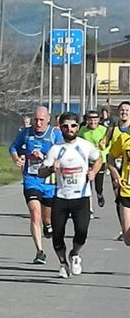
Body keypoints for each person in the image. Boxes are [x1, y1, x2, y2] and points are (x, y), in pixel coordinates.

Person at [38, 112, 102, 278]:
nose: (70, 129)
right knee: (57, 234)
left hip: (81, 198)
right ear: (60, 128)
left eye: (73, 125)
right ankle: (62, 263)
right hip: (61, 198)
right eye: (65, 126)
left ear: (77, 127)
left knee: (82, 231)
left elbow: (98, 158)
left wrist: (93, 172)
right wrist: (52, 168)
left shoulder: (85, 146)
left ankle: (74, 253)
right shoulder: (56, 149)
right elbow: (40, 173)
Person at [9, 106, 63, 264]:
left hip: (49, 181)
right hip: (31, 179)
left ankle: (47, 225)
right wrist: (16, 158)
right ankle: (39, 251)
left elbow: (62, 155)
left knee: (47, 218)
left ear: (48, 119)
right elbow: (13, 147)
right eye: (35, 119)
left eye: (41, 120)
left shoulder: (55, 134)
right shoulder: (26, 133)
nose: (38, 123)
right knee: (34, 213)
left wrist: (45, 157)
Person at [105, 101, 130, 240]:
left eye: (127, 110)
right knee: (127, 239)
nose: (124, 112)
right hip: (122, 175)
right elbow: (109, 153)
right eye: (122, 110)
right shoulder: (116, 130)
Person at [78, 110, 108, 211]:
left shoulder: (104, 130)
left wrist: (103, 151)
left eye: (95, 120)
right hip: (86, 161)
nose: (93, 122)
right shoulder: (82, 130)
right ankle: (89, 208)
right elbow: (77, 143)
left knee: (98, 186)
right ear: (87, 120)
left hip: (100, 161)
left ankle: (99, 195)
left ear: (99, 120)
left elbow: (109, 145)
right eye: (90, 120)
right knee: (87, 184)